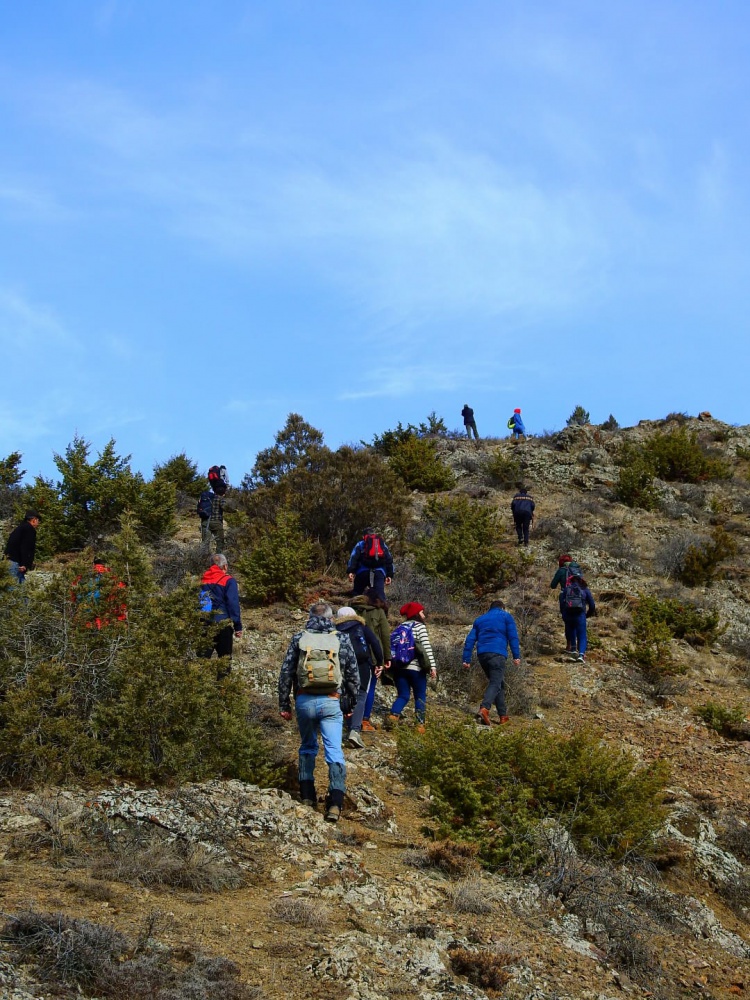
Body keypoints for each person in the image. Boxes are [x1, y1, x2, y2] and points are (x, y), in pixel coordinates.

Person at [278, 602, 359, 823]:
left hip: (304, 700)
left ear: (310, 617)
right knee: (334, 751)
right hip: (332, 701)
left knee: (307, 746)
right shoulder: (341, 639)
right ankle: (335, 804)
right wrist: (350, 703)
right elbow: (353, 674)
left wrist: (284, 704)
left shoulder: (299, 638)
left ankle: (307, 797)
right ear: (332, 619)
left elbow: (286, 673)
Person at [462, 600, 521, 725]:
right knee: (495, 682)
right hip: (497, 654)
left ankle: (503, 716)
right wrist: (516, 655)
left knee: (498, 683)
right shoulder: (506, 616)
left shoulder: (480, 620)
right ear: (503, 608)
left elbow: (470, 639)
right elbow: (513, 637)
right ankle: (485, 708)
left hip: (482, 655)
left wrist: (466, 658)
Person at [333, 606, 383, 748]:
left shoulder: (335, 630)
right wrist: (380, 662)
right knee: (361, 695)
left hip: (341, 664)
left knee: (343, 694)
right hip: (362, 665)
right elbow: (375, 642)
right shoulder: (361, 626)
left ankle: (341, 728)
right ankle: (354, 730)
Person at [388, 602, 437, 733]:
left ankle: (393, 716)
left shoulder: (399, 627)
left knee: (403, 695)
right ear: (416, 614)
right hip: (416, 669)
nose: (424, 615)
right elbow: (426, 647)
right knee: (420, 696)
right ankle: (420, 725)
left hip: (399, 668)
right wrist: (432, 666)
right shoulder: (420, 627)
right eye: (422, 612)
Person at [350, 588, 391, 731]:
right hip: (372, 655)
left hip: (350, 652)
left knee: (350, 685)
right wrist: (386, 657)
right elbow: (385, 635)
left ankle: (349, 717)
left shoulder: (351, 609)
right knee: (369, 687)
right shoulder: (378, 611)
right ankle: (364, 720)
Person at [198, 553, 243, 677]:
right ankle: (223, 691)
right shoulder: (228, 581)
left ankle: (198, 690)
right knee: (224, 660)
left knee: (201, 660)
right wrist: (238, 626)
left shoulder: (203, 579)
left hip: (205, 624)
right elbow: (233, 604)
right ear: (225, 566)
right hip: (223, 625)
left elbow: (200, 603)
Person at [72, 558, 127, 629]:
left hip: (83, 621)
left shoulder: (81, 576)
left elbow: (72, 596)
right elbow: (121, 601)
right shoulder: (113, 578)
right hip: (105, 622)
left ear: (93, 563)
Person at [347, 528, 394, 602]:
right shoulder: (382, 544)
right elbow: (389, 559)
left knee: (357, 594)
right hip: (378, 573)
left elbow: (353, 558)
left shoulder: (360, 544)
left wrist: (351, 571)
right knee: (380, 596)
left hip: (362, 572)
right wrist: (389, 575)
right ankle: (383, 612)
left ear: (364, 536)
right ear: (374, 534)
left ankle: (355, 610)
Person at [561, 571, 596, 662]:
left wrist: (564, 615)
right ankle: (581, 654)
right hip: (580, 615)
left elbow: (562, 604)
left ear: (571, 579)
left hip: (568, 614)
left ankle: (573, 649)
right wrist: (587, 615)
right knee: (582, 635)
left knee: (572, 630)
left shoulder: (567, 589)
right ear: (581, 579)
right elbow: (592, 605)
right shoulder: (585, 590)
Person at [4, 509, 41, 584]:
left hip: (9, 561)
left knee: (20, 590)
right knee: (14, 590)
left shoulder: (21, 528)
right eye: (38, 520)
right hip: (16, 563)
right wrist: (24, 564)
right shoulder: (29, 529)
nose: (38, 523)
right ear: (34, 519)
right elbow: (25, 547)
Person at [550, 554, 578, 651]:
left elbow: (553, 585)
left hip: (565, 597)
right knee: (577, 620)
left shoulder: (561, 571)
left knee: (567, 621)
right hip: (577, 597)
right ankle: (578, 646)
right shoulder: (576, 570)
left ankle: (569, 645)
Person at [197, 483, 227, 548]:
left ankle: (204, 557)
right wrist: (235, 511)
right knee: (220, 543)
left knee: (205, 543)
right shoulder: (220, 499)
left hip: (205, 522)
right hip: (216, 522)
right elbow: (225, 508)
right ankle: (219, 556)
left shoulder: (207, 497)